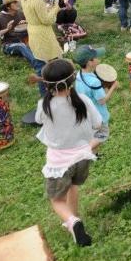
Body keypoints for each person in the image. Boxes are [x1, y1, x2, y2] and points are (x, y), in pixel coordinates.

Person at [34, 58, 101, 247]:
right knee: (73, 186)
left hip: (60, 162)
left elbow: (39, 120)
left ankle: (73, 222)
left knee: (56, 200)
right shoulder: (83, 101)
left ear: (47, 86)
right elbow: (97, 124)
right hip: (83, 157)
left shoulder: (45, 105)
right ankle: (74, 218)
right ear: (73, 80)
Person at [73, 45, 116, 149]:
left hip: (87, 115)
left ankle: (94, 155)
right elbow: (102, 101)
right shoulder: (94, 81)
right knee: (102, 135)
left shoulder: (79, 75)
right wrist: (113, 87)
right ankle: (86, 150)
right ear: (89, 62)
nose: (98, 58)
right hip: (98, 116)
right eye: (96, 57)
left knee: (94, 135)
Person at [22, 0, 63, 64]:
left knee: (42, 58)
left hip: (32, 30)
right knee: (53, 60)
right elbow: (47, 20)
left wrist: (46, 7)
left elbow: (35, 13)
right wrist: (57, 7)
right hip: (42, 33)